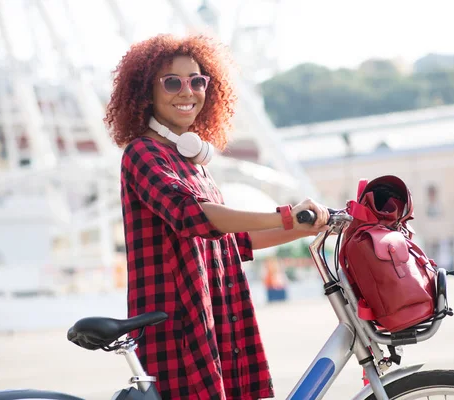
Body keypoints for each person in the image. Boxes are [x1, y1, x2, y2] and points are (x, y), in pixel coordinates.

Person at [105, 33, 330, 400]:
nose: (187, 91)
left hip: (219, 320)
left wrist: (303, 228)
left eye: (197, 81)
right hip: (179, 330)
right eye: (173, 82)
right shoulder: (142, 154)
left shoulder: (193, 164)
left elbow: (231, 242)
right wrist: (286, 215)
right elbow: (193, 216)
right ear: (146, 92)